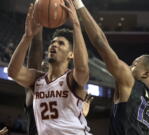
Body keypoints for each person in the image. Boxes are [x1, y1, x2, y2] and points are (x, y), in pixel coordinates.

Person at [71, 0, 149, 134]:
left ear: (145, 74)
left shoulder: (129, 83)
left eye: (134, 64)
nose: (129, 66)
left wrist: (78, 4)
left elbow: (101, 43)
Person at [8, 2, 92, 135]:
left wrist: (76, 24)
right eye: (53, 42)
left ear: (71, 55)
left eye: (61, 43)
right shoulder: (37, 80)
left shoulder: (71, 79)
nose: (54, 45)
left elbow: (82, 68)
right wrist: (27, 37)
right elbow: (13, 72)